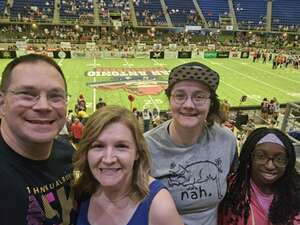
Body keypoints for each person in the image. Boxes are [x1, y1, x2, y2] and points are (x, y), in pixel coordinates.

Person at [144, 62, 238, 225]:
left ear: (211, 103)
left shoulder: (226, 140)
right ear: (169, 100)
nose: (188, 105)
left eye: (199, 97)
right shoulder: (145, 145)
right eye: (180, 96)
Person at [73, 105, 183, 225]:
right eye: (98, 146)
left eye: (121, 146)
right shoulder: (82, 192)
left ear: (137, 152)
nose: (109, 159)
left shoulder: (159, 205)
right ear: (86, 151)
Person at [0, 54, 75, 224]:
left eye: (55, 96)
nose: (43, 106)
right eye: (27, 94)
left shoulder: (67, 153)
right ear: (1, 103)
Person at [219, 127, 300, 225]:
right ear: (249, 158)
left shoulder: (296, 192)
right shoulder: (230, 190)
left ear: (288, 162)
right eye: (261, 156)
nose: (270, 166)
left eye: (279, 159)